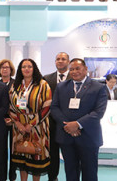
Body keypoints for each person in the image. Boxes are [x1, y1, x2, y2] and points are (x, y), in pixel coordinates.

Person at [51, 58, 108, 181]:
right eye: (71, 69)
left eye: (77, 68)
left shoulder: (98, 87)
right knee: (70, 172)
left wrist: (77, 124)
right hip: (66, 136)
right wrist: (67, 126)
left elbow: (98, 112)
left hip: (88, 137)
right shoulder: (61, 86)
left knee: (90, 173)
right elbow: (54, 108)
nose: (74, 72)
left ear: (85, 69)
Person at [9, 59, 52, 181]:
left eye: (29, 66)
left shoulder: (43, 84)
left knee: (35, 156)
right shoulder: (16, 85)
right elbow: (10, 106)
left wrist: (31, 124)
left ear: (34, 69)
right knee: (22, 155)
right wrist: (18, 123)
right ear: (20, 70)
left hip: (38, 126)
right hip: (19, 128)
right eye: (23, 67)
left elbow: (47, 106)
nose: (26, 69)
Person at [43, 52, 70, 181]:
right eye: (58, 59)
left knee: (70, 155)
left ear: (68, 62)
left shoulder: (75, 77)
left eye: (63, 59)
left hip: (71, 123)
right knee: (52, 154)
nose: (60, 61)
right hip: (51, 123)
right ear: (55, 62)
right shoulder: (47, 78)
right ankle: (52, 178)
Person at [0, 59, 17, 181]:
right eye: (2, 67)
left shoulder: (17, 83)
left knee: (14, 151)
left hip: (15, 122)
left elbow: (20, 103)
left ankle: (12, 176)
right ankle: (1, 177)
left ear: (11, 70)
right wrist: (3, 118)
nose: (5, 69)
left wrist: (13, 119)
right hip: (1, 122)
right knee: (1, 152)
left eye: (7, 67)